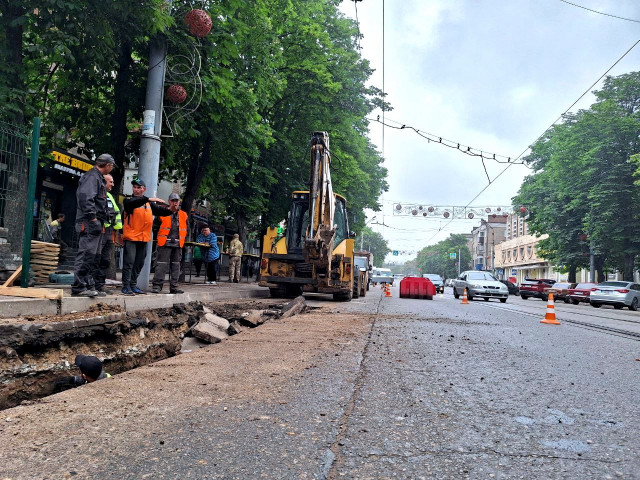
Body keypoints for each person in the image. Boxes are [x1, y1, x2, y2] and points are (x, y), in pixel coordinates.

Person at [71, 154, 114, 297]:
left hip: (94, 222)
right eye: (111, 166)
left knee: (93, 256)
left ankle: (88, 285)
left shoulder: (96, 177)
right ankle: (79, 287)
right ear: (107, 165)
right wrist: (93, 218)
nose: (111, 168)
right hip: (90, 222)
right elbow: (86, 198)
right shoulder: (92, 177)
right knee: (87, 254)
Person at [121, 178, 171, 295]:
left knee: (139, 263)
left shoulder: (148, 204)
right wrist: (148, 198)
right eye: (135, 187)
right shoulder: (129, 201)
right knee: (129, 262)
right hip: (131, 238)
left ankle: (133, 285)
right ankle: (126, 286)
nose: (136, 189)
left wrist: (171, 209)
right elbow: (133, 203)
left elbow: (160, 211)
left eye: (139, 187)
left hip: (143, 238)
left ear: (144, 189)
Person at [152, 193, 188, 294]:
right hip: (165, 243)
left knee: (176, 266)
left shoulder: (183, 215)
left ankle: (174, 287)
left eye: (176, 201)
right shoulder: (162, 212)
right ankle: (157, 286)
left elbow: (186, 229)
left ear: (179, 202)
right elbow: (155, 227)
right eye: (173, 201)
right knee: (161, 265)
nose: (174, 203)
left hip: (177, 244)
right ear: (169, 202)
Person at [93, 174, 122, 296]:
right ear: (104, 182)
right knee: (96, 258)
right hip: (100, 230)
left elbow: (116, 213)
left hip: (109, 231)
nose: (113, 184)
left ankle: (100, 286)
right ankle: (92, 285)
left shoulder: (109, 195)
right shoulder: (97, 194)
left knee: (105, 259)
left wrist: (118, 229)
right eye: (111, 182)